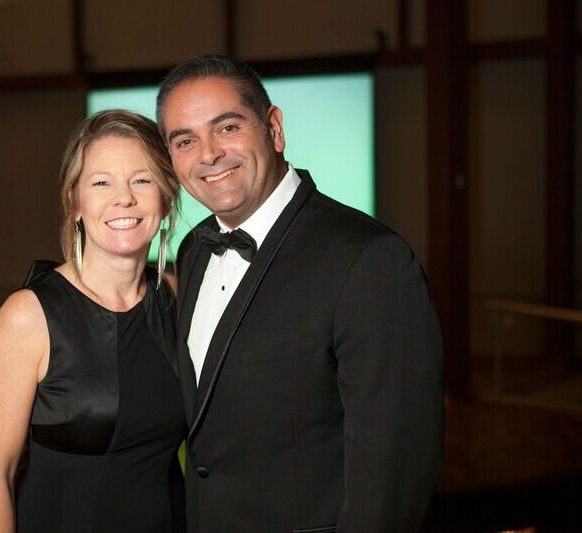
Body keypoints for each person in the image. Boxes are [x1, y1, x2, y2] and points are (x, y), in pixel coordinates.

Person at [157, 55, 444, 533]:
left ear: (274, 127)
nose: (207, 154)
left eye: (227, 128)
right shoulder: (193, 251)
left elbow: (396, 470)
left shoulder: (370, 260)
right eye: (185, 140)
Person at [0, 110, 186, 533]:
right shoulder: (27, 316)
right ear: (75, 203)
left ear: (166, 197)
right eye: (101, 182)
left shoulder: (179, 299)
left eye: (141, 180)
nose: (123, 198)